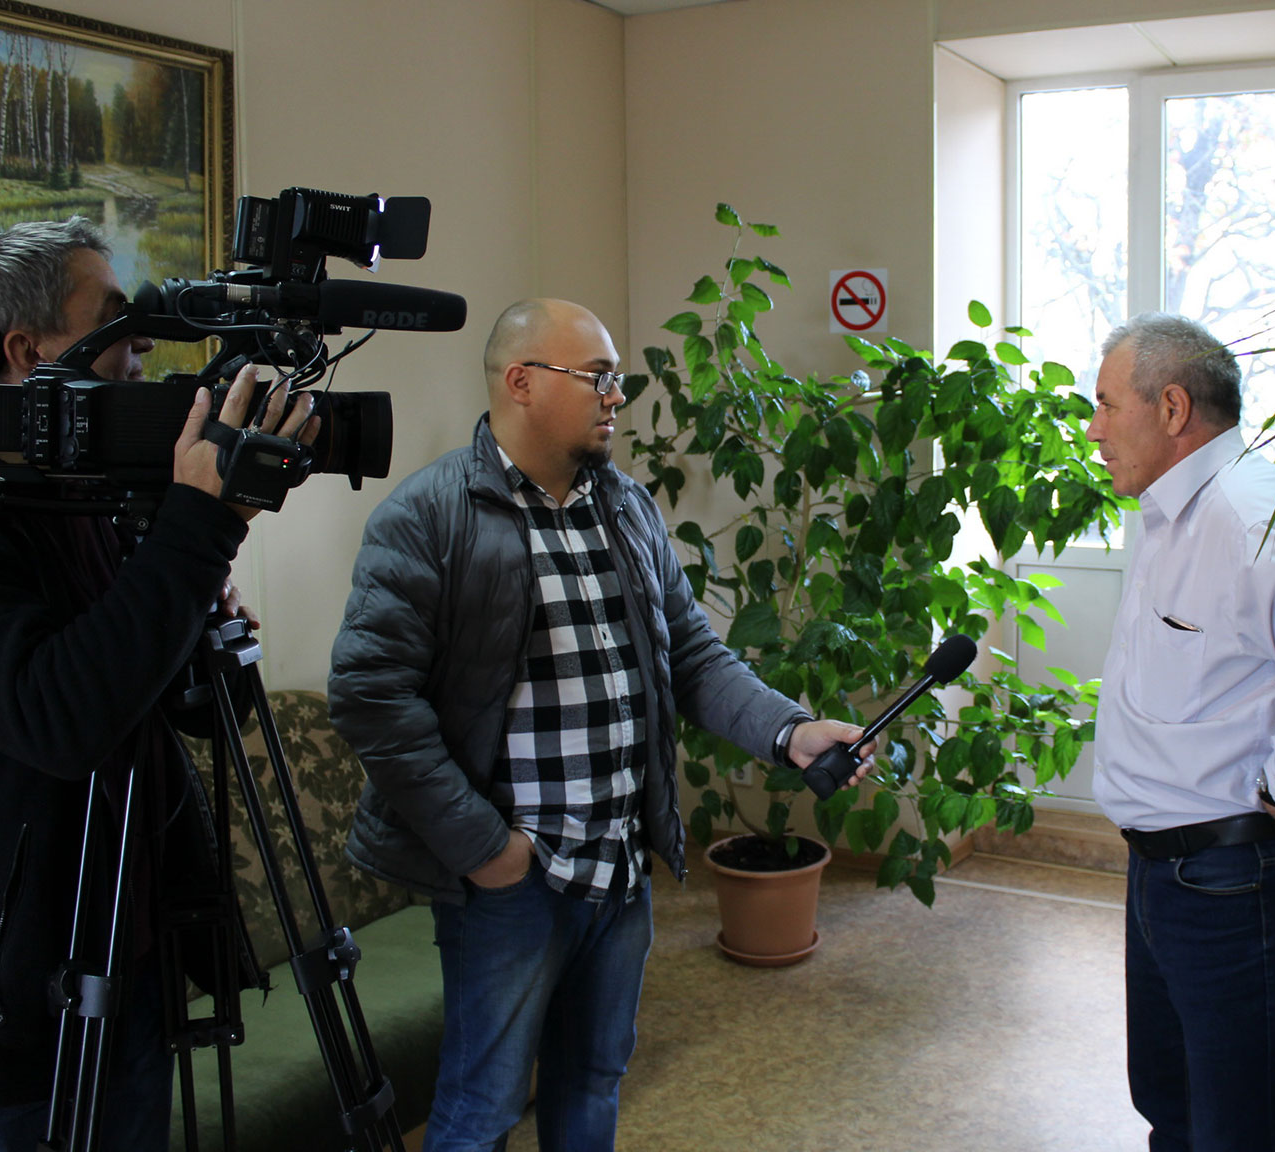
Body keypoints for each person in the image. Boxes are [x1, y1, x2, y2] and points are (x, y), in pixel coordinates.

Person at [327, 298, 873, 1152]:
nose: (618, 395)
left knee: (591, 1081)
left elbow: (692, 656)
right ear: (521, 382)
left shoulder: (625, 507)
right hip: (513, 883)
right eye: (598, 377)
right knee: (481, 1108)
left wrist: (791, 732)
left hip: (618, 867)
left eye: (617, 378)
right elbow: (370, 696)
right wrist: (486, 849)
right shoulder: (429, 516)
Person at [0, 217, 314, 1152]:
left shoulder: (85, 503)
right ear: (27, 352)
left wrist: (190, 619)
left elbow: (175, 713)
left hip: (120, 976)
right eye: (114, 324)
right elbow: (57, 719)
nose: (141, 351)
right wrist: (199, 531)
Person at [1085, 313, 1275, 1152]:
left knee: (1244, 1132)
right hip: (1165, 873)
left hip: (1228, 881)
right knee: (1174, 1110)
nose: (1095, 430)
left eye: (1106, 405)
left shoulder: (1245, 511)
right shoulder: (1172, 513)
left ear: (1172, 407)